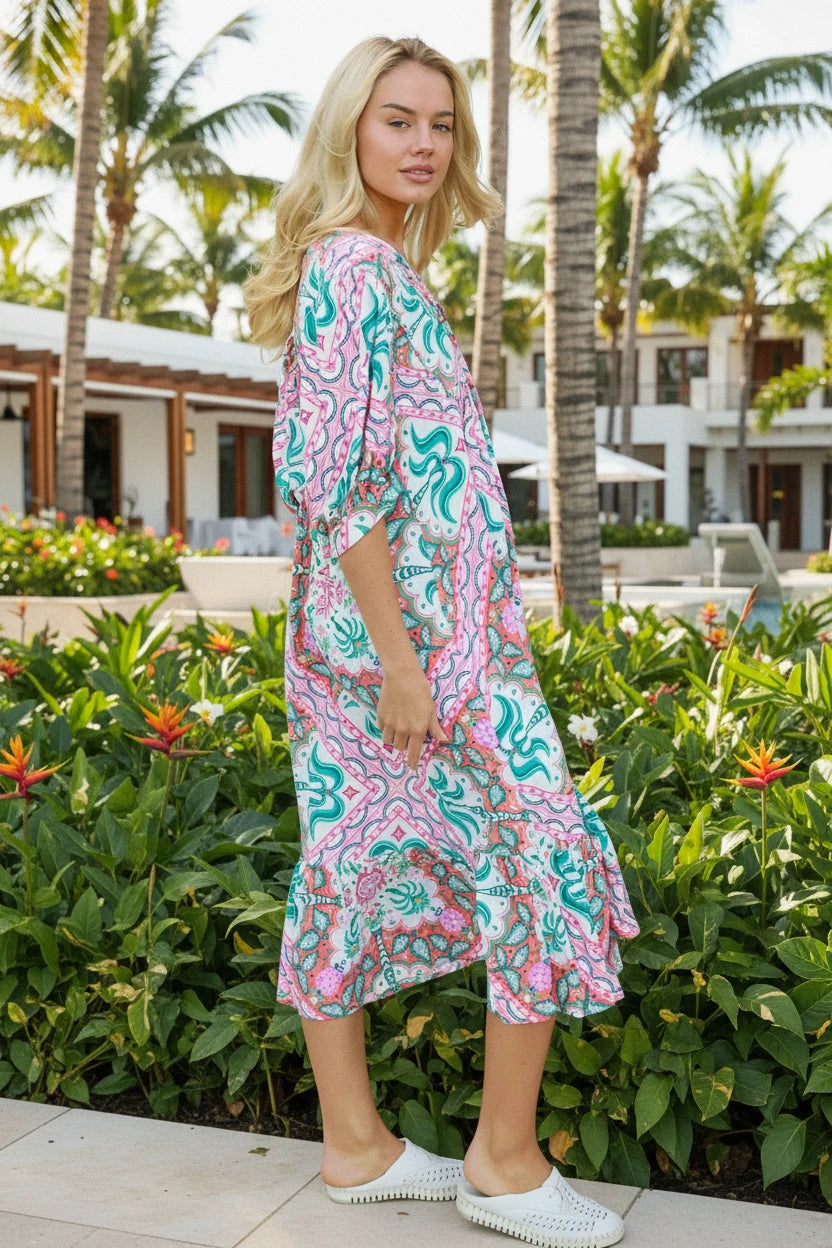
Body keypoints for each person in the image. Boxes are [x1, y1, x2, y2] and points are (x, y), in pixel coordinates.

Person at [243, 34, 639, 1248]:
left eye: (441, 125)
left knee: (353, 860)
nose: (422, 143)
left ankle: (358, 1150)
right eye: (396, 119)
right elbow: (334, 482)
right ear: (349, 132)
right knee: (542, 851)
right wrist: (405, 662)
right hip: (407, 655)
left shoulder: (374, 273)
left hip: (423, 644)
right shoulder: (353, 269)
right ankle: (505, 1164)